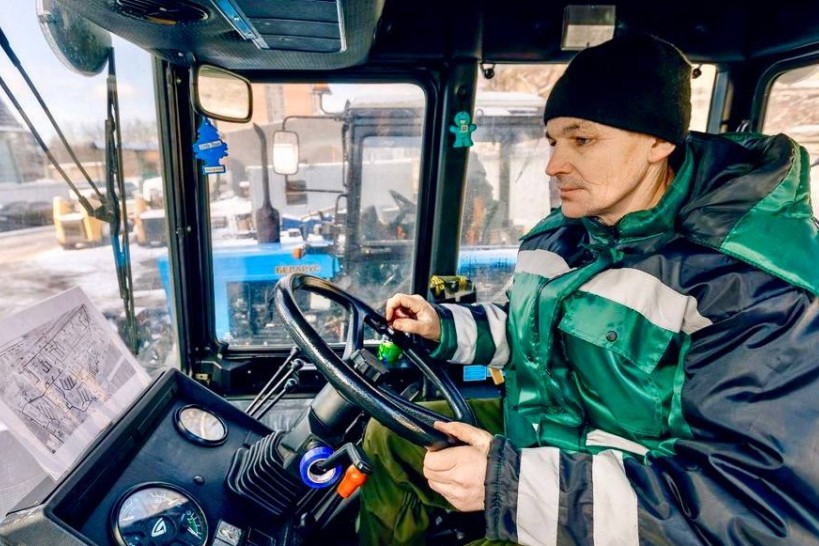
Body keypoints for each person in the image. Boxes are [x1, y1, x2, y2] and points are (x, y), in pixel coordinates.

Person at [358, 33, 819, 546]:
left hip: (625, 511)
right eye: (553, 141)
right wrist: (441, 326)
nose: (554, 165)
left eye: (582, 140)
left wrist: (512, 487)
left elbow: (752, 507)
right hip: (544, 437)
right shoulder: (565, 233)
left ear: (658, 142)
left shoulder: (751, 284)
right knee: (391, 434)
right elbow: (527, 324)